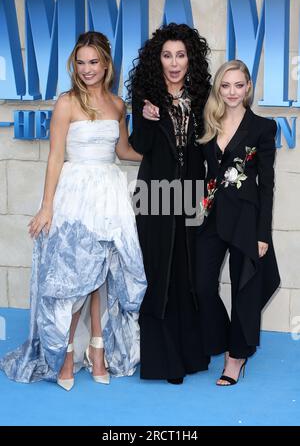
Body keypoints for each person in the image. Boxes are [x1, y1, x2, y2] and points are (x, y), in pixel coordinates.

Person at [0, 31, 147, 390]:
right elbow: (55, 157)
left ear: (106, 64)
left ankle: (97, 350)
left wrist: (171, 158)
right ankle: (66, 354)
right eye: (80, 62)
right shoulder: (66, 103)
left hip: (109, 193)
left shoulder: (117, 105)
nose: (87, 69)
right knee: (75, 279)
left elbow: (124, 152)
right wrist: (46, 207)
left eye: (93, 62)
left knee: (104, 274)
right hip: (75, 194)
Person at [126, 23, 211, 384]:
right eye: (166, 55)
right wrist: (144, 121)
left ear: (189, 58)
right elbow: (140, 146)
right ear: (156, 59)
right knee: (157, 272)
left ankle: (189, 356)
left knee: (186, 272)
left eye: (180, 55)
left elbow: (208, 146)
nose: (174, 63)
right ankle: (162, 362)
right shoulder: (146, 94)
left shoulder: (202, 93)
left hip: (189, 192)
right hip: (154, 192)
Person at [195, 59, 280, 386]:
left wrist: (263, 234)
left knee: (245, 288)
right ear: (219, 88)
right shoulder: (208, 123)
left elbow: (267, 185)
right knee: (201, 285)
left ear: (247, 88)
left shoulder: (262, 128)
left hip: (246, 217)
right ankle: (221, 337)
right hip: (211, 214)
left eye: (238, 85)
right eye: (225, 85)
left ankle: (236, 356)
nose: (231, 92)